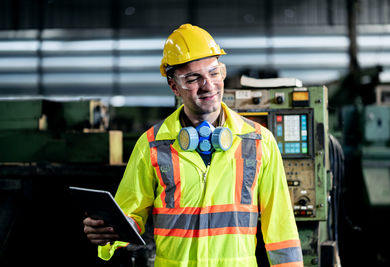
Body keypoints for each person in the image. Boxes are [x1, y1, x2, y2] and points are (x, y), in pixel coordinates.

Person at [83, 23, 303, 267]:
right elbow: (129, 215)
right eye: (193, 78)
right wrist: (108, 232)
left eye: (213, 72)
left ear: (223, 71)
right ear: (174, 86)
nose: (208, 85)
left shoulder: (259, 142)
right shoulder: (153, 145)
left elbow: (282, 231)